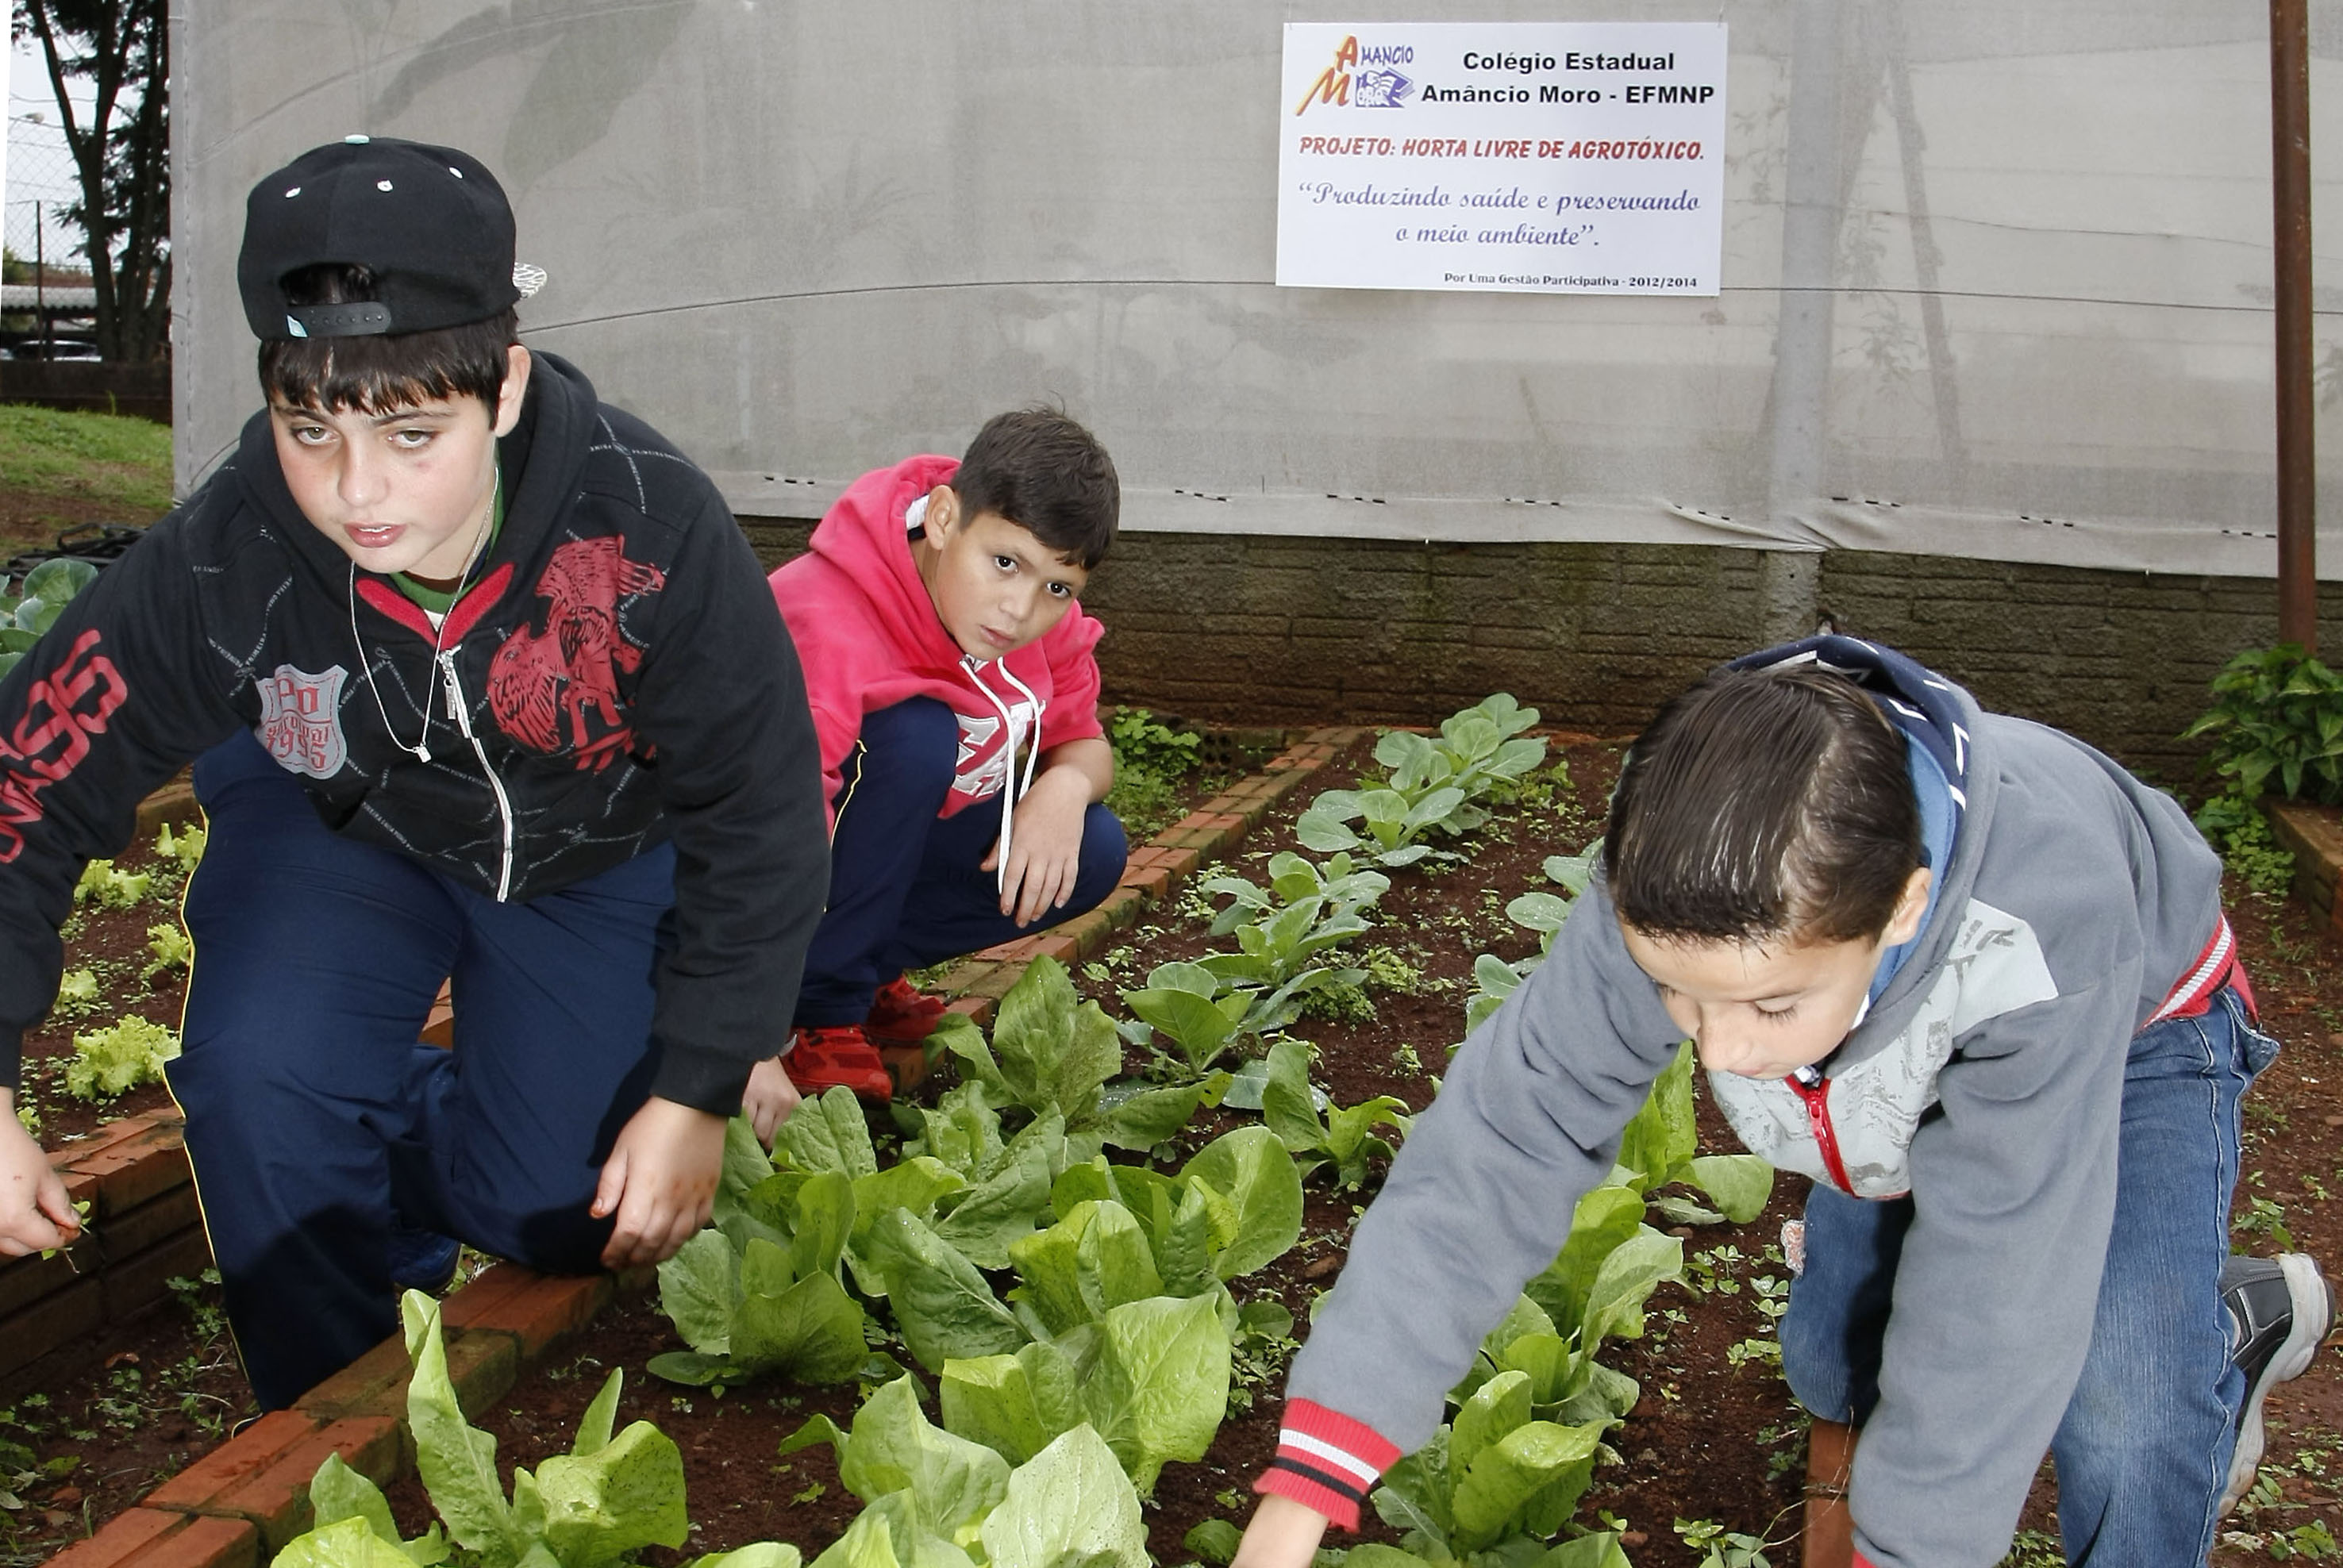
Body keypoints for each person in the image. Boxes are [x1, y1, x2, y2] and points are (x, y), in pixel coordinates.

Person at [0, 136, 829, 1409]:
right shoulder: (225, 556)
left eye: (411, 434)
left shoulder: (648, 525)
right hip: (339, 827)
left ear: (502, 388)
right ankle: (335, 1430)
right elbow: (28, 775)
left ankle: (389, 1116)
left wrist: (699, 1081)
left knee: (565, 1203)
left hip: (589, 846)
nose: (357, 491)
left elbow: (762, 809)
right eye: (309, 429)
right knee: (265, 1088)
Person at [1234, 635, 2333, 1568]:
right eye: (1680, 995)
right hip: (1877, 1034)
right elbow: (1502, 1146)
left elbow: (1995, 1302)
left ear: (1901, 910)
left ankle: (2219, 1335)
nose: (1720, 1052)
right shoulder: (1678, 871)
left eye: (1767, 1005)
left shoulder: (2041, 926)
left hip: (2134, 1023)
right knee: (1832, 1362)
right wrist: (1303, 1497)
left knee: (2122, 1408)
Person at [748, 410, 1127, 1113]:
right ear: (947, 519)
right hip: (744, 861)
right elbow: (765, 829)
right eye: (1005, 563)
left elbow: (1086, 741)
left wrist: (1065, 785)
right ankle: (818, 1010)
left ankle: (860, 969)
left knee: (1096, 846)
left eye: (1056, 588)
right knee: (915, 736)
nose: (1019, 610)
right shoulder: (830, 620)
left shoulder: (1040, 618)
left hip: (872, 849)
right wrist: (743, 1035)